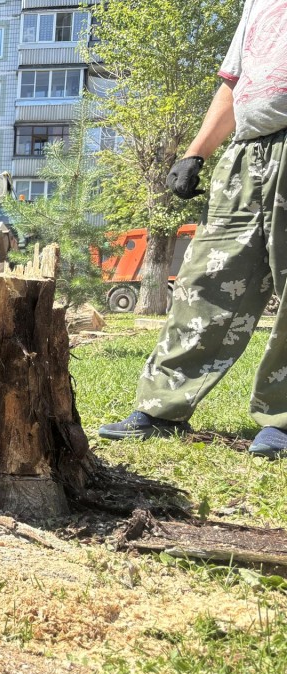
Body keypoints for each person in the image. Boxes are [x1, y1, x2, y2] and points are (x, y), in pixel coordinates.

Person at [98, 0, 287, 459]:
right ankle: (161, 408)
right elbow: (234, 81)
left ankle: (282, 418)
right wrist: (196, 153)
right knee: (204, 281)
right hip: (248, 153)